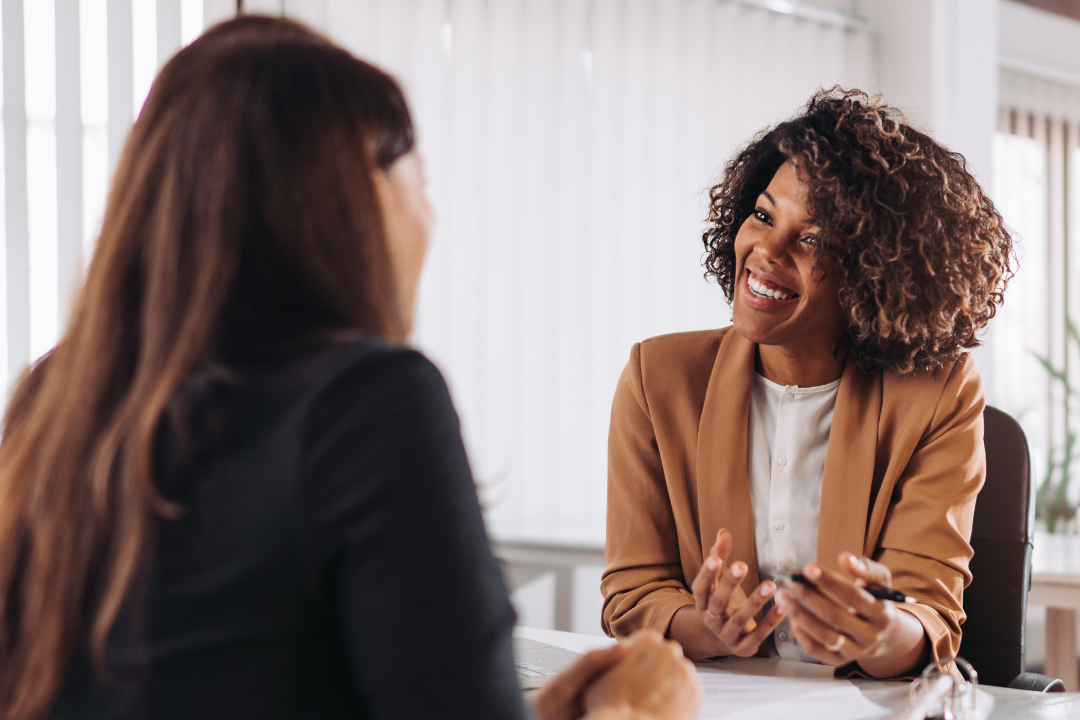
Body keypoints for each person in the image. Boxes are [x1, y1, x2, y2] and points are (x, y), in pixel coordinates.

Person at [0, 17, 700, 720]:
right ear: (351, 199)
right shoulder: (368, 401)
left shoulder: (55, 400)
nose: (430, 214)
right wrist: (632, 710)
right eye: (419, 181)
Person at [601, 88, 1013, 679]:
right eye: (764, 216)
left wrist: (874, 631)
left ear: (876, 272)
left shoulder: (938, 392)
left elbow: (929, 616)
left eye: (813, 238)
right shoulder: (658, 377)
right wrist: (708, 628)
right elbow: (632, 593)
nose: (766, 251)